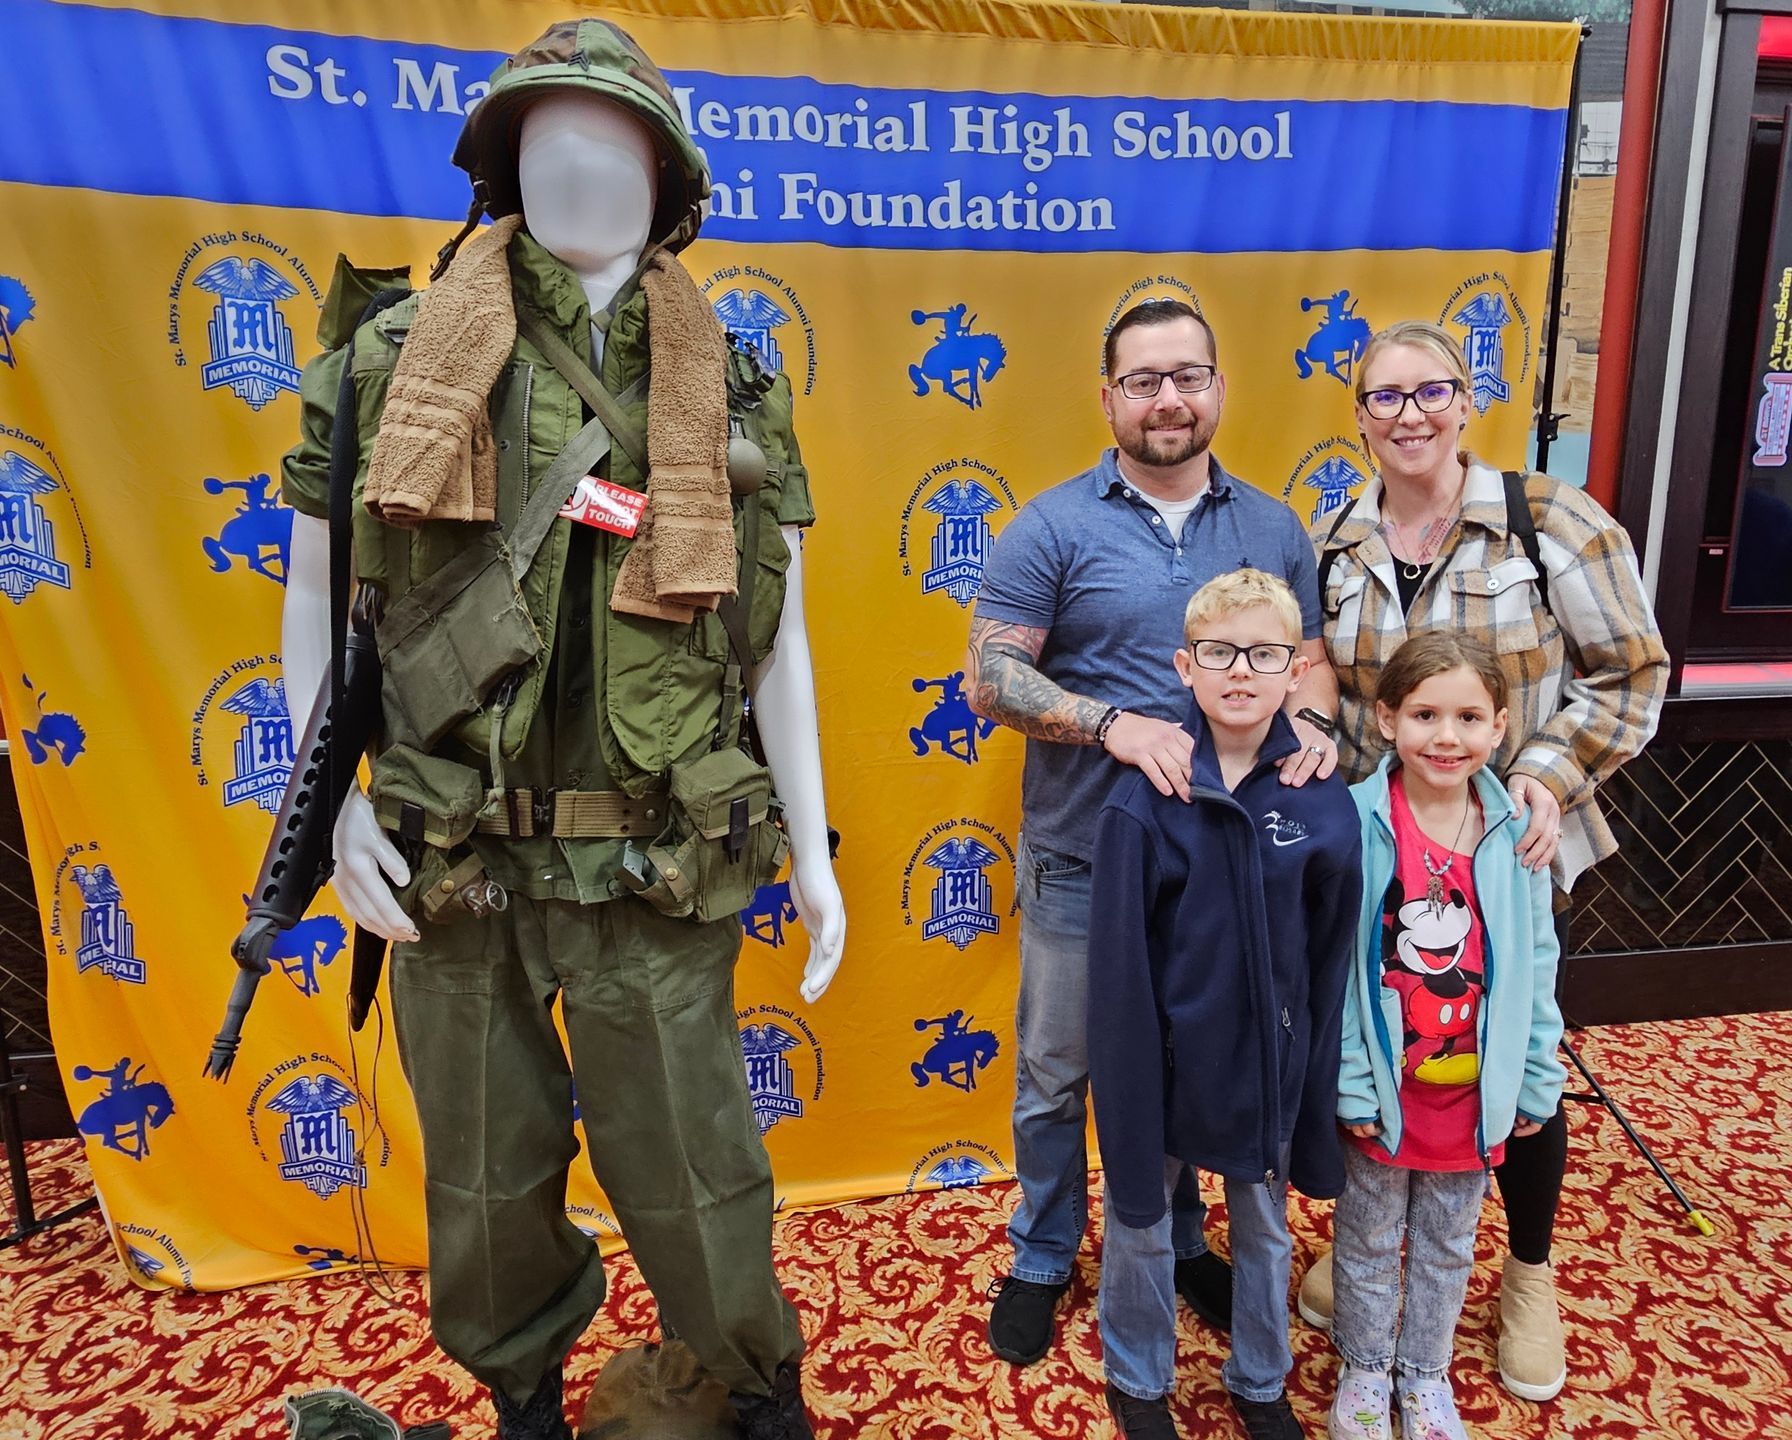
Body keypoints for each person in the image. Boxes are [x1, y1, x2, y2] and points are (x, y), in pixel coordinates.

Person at [276, 21, 843, 1440]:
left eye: (616, 137)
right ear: (503, 162)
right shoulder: (390, 359)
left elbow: (776, 630)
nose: (582, 162)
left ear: (670, 175)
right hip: (449, 852)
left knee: (698, 1167)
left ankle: (751, 1390)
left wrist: (817, 853)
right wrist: (332, 805)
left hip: (652, 857)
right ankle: (525, 1398)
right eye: (548, 134)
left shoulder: (733, 379)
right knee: (480, 1178)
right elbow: (317, 602)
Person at [964, 299, 1342, 1365]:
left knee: (1194, 1063)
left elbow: (1304, 658)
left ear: (1218, 387)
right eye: (1144, 380)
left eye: (1187, 375)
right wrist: (1109, 724)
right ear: (1109, 397)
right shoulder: (1051, 524)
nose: (1167, 398)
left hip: (1228, 864)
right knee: (1056, 1071)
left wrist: (1310, 722)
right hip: (1088, 856)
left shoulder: (1271, 526)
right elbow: (988, 676)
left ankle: (1179, 1241)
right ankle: (1041, 1250)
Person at [1303, 321, 1669, 1401]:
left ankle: (1529, 1271)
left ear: (1467, 402)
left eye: (1432, 391)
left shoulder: (1549, 521)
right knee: (1383, 1031)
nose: (1409, 414)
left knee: (1517, 1058)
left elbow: (1633, 674)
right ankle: (1368, 1235)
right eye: (1385, 397)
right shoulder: (1339, 536)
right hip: (1385, 854)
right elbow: (1329, 676)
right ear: (1360, 415)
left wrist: (1545, 776)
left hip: (1517, 848)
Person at [1087, 570, 1361, 1440]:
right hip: (1163, 1067)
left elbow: (1331, 957)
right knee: (1138, 1219)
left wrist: (1313, 1077)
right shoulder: (1143, 801)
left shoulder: (1321, 801)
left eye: (1265, 654)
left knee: (1265, 1230)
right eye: (1219, 653)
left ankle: (1260, 1379)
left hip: (1268, 1070)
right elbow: (1119, 969)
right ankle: (1137, 1376)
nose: (1241, 672)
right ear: (1184, 667)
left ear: (1297, 671)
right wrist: (1127, 1080)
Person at [1328, 632, 1565, 1440]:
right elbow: (1336, 972)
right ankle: (1364, 1366)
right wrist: (1352, 1081)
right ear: (1387, 718)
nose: (1446, 736)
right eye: (1425, 714)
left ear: (1500, 727)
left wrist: (1534, 1077)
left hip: (1472, 1096)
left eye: (1469, 717)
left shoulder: (1517, 833)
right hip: (1386, 1090)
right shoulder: (1356, 824)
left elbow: (1538, 963)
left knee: (1448, 1243)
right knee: (1364, 1237)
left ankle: (1424, 1374)